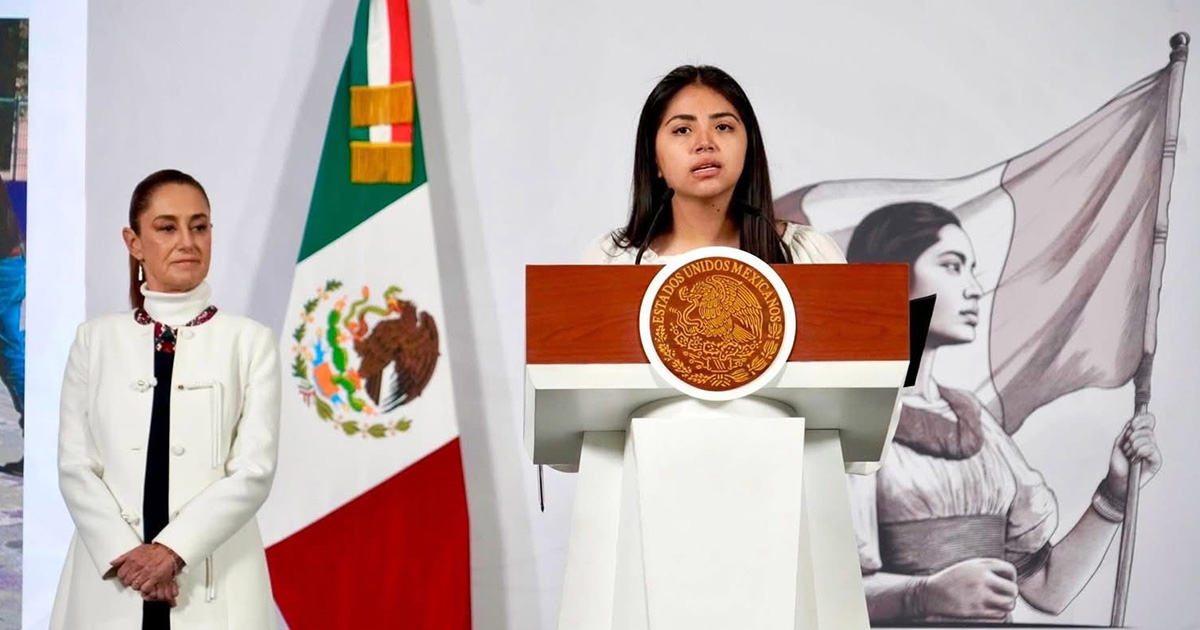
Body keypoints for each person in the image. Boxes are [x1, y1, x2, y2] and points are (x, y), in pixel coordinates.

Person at [845, 201, 1162, 624]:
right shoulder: (850, 412)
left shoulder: (970, 416)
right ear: (891, 276)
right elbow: (821, 589)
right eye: (953, 266)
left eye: (971, 269)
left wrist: (1116, 494)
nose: (975, 287)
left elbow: (1048, 588)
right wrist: (921, 595)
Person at [51, 169, 281, 629]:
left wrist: (171, 553)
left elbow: (253, 470)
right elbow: (75, 465)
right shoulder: (94, 341)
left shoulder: (249, 342)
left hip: (218, 581)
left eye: (199, 226)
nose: (187, 241)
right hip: (112, 577)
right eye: (167, 227)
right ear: (133, 242)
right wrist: (131, 557)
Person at [583, 65, 844, 265]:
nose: (705, 142)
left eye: (722, 127)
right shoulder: (612, 259)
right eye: (683, 130)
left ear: (749, 148)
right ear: (654, 160)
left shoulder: (808, 254)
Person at [0, 173, 23, 477]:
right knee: (10, 354)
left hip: (6, 267)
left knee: (11, 355)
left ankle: (38, 444)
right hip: (11, 265)